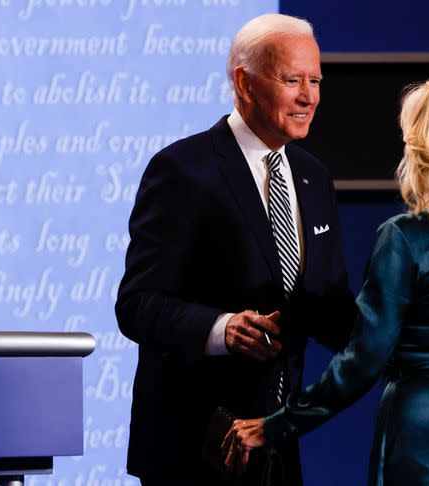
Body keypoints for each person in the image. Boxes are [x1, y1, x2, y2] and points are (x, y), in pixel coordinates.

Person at [223, 77, 429, 485]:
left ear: (426, 148)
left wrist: (277, 425)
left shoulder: (404, 236)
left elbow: (362, 362)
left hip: (428, 428)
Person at [115, 13, 356, 485]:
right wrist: (222, 329)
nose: (309, 97)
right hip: (194, 450)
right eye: (292, 80)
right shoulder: (182, 171)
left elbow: (330, 307)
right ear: (244, 83)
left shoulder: (314, 177)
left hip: (275, 444)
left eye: (315, 80)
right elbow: (137, 306)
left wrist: (412, 347)